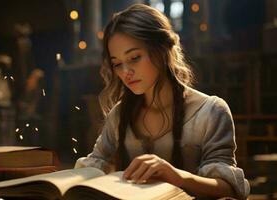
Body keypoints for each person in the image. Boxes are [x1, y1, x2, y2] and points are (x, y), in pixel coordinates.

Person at [75, 4, 250, 199]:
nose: (125, 72)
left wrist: (176, 176)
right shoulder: (119, 114)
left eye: (134, 57)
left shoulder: (210, 111)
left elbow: (229, 189)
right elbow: (95, 163)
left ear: (162, 49)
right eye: (117, 64)